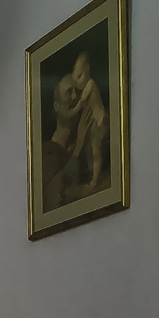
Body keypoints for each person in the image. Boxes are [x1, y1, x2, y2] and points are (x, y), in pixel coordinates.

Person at [46, 48, 109, 208]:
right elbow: (54, 200)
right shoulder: (46, 153)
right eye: (69, 93)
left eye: (77, 91)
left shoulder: (90, 140)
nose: (76, 97)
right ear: (57, 106)